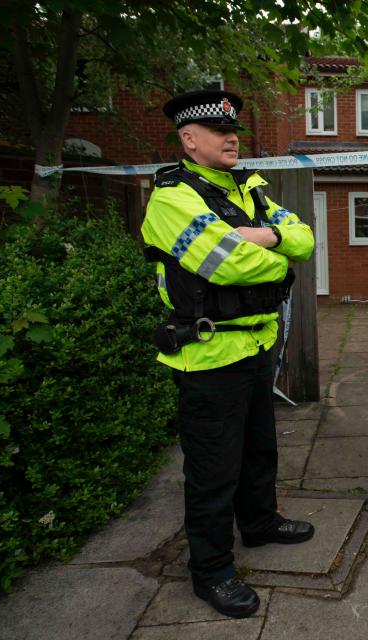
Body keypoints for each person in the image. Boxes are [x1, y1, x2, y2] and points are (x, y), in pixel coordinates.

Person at [140, 89, 315, 617]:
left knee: (259, 450)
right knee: (213, 470)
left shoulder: (249, 189)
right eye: (217, 131)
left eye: (232, 128)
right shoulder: (172, 198)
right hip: (208, 352)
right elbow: (227, 264)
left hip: (257, 343)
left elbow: (305, 237)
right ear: (189, 140)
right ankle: (212, 572)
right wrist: (277, 256)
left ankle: (259, 524)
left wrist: (257, 235)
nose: (231, 136)